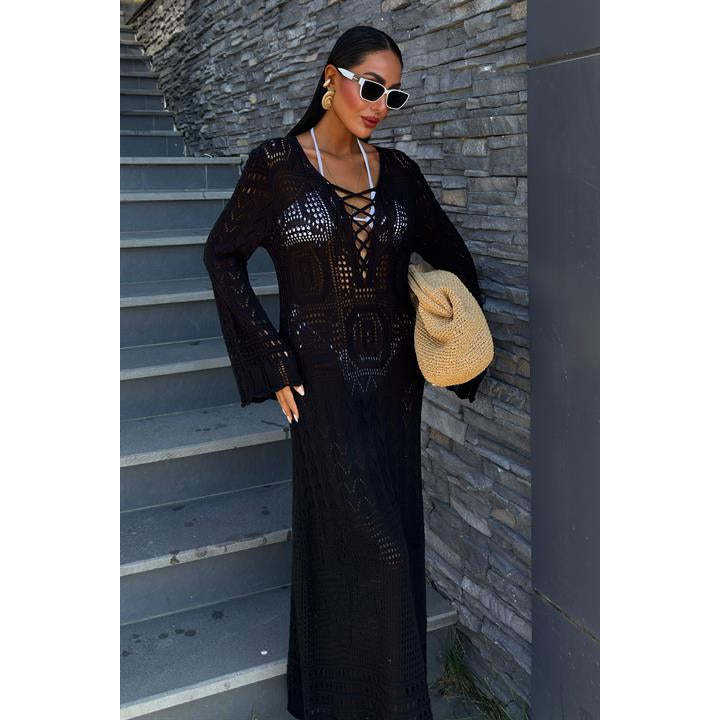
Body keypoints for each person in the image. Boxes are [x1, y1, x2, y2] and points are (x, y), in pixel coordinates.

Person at [203, 24, 488, 720]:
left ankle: (330, 698)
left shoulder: (400, 174)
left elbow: (452, 257)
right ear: (331, 78)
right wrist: (272, 358)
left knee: (382, 538)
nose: (381, 105)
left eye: (395, 95)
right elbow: (223, 254)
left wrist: (446, 319)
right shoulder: (275, 166)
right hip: (318, 385)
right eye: (371, 87)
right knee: (376, 549)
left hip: (394, 388)